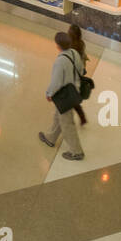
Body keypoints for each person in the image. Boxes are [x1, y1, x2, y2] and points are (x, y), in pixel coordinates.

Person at [38, 31, 85, 161]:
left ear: (57, 45)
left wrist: (49, 93)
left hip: (65, 96)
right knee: (58, 115)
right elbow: (81, 70)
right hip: (75, 91)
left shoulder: (60, 61)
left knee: (67, 123)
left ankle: (77, 152)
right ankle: (50, 138)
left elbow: (56, 82)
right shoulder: (74, 53)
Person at [66, 23, 91, 125]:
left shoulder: (71, 47)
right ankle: (82, 117)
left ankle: (74, 119)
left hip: (72, 76)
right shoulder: (81, 43)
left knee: (69, 99)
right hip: (79, 73)